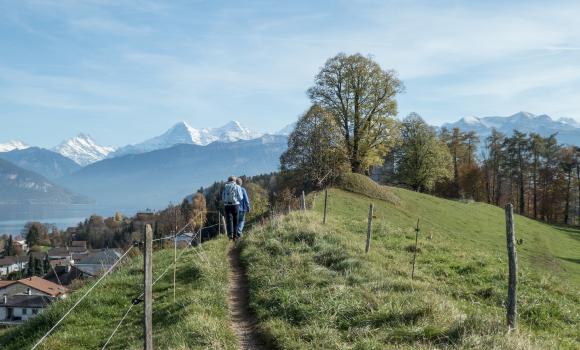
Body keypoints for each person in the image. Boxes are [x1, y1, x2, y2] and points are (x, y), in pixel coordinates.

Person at [222, 175, 243, 241]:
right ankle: (235, 236)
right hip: (235, 205)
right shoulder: (237, 186)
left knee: (229, 220)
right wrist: (237, 200)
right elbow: (240, 197)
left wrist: (226, 202)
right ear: (234, 180)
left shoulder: (225, 187)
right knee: (235, 220)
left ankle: (230, 236)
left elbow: (223, 197)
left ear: (228, 180)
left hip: (227, 205)